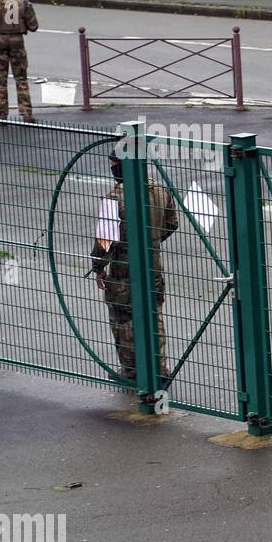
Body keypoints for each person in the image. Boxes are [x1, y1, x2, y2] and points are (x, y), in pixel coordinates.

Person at [90, 151, 179, 382]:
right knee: (153, 314)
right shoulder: (159, 189)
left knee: (123, 319)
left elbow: (105, 240)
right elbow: (172, 223)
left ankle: (131, 371)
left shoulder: (114, 198)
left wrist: (99, 266)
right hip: (153, 265)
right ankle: (159, 368)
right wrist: (152, 242)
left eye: (113, 164)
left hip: (124, 269)